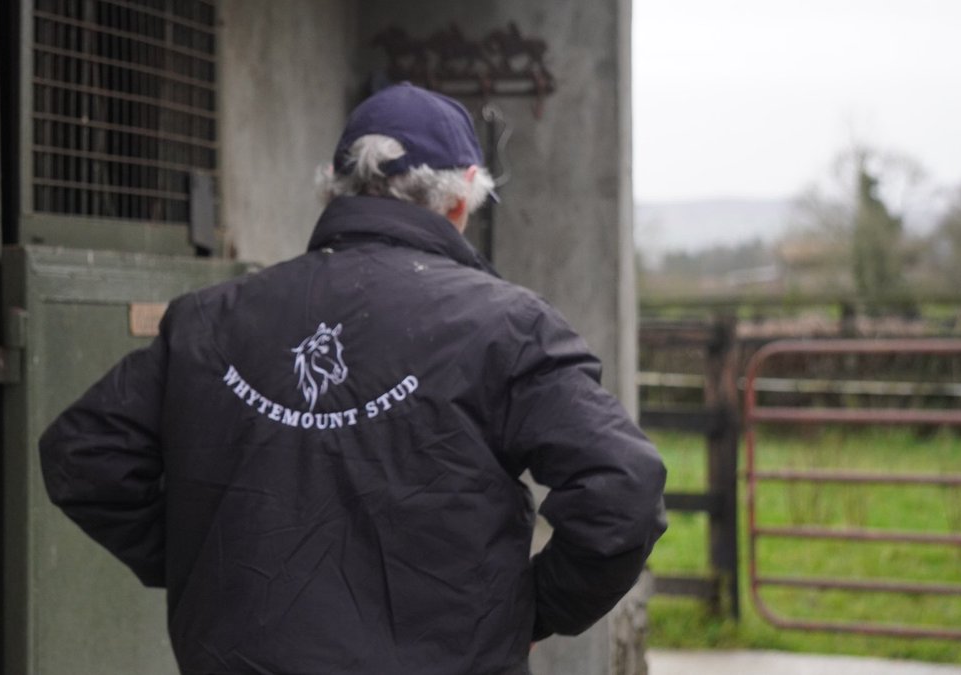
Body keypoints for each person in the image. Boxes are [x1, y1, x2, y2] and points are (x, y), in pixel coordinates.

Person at [39, 82, 667, 675]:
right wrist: (530, 609)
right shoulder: (507, 325)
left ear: (335, 191)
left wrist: (201, 563)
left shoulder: (208, 319)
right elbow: (624, 489)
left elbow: (84, 453)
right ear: (463, 195)